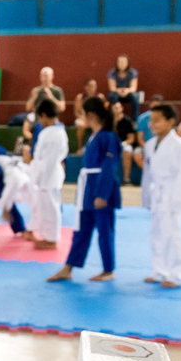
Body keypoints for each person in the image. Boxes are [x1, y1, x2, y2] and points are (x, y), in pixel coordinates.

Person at [48, 98, 120, 283]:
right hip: (88, 188)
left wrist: (102, 194)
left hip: (101, 189)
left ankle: (108, 269)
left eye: (81, 113)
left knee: (105, 231)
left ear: (91, 115)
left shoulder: (108, 137)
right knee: (81, 229)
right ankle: (69, 267)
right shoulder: (93, 136)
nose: (80, 117)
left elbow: (110, 166)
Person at [141, 104, 181, 289]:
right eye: (151, 120)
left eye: (157, 120)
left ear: (170, 122)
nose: (152, 124)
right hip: (157, 193)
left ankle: (177, 274)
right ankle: (159, 271)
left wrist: (180, 201)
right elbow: (148, 174)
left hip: (173, 194)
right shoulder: (151, 145)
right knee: (157, 233)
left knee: (172, 235)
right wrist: (147, 197)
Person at [27, 99, 68, 250]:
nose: (39, 121)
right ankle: (47, 235)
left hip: (49, 174)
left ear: (44, 115)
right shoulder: (54, 131)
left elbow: (50, 160)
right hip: (45, 173)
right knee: (45, 206)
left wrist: (44, 179)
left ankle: (52, 240)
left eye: (39, 118)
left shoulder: (55, 134)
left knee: (51, 207)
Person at [111, 100, 140, 186]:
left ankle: (126, 179)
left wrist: (123, 143)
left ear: (121, 109)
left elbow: (131, 138)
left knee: (127, 150)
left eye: (118, 107)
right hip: (111, 144)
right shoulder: (109, 121)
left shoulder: (127, 121)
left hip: (124, 144)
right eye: (114, 108)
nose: (116, 109)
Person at [106, 54, 139, 119]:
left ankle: (135, 120)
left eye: (124, 62)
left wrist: (126, 91)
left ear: (128, 63)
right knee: (112, 95)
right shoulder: (112, 73)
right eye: (120, 62)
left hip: (128, 93)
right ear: (117, 63)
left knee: (135, 96)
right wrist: (119, 91)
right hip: (116, 92)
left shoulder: (133, 72)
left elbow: (133, 88)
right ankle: (114, 118)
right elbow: (112, 88)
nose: (122, 64)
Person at [74, 78, 105, 147]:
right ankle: (80, 148)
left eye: (94, 86)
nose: (92, 88)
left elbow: (103, 111)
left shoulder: (100, 97)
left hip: (96, 120)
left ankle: (100, 146)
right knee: (80, 125)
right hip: (83, 119)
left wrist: (95, 120)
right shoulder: (80, 97)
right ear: (86, 87)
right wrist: (85, 119)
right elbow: (77, 113)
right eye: (90, 86)